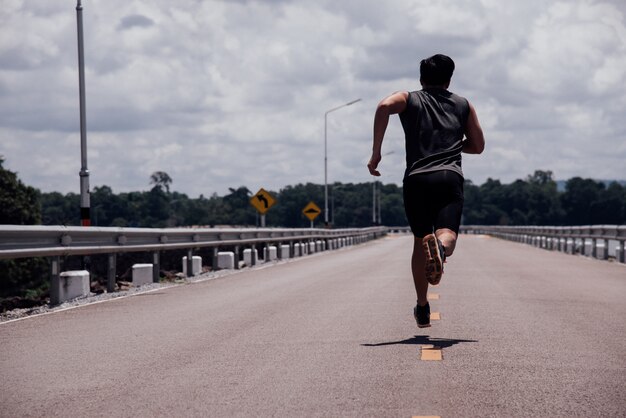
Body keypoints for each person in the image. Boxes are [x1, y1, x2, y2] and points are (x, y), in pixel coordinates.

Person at [367, 54, 485, 328]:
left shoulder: (409, 98)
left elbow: (384, 105)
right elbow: (478, 146)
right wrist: (454, 144)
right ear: (450, 79)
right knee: (448, 233)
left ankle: (422, 305)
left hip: (417, 179)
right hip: (449, 177)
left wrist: (376, 153)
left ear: (421, 78)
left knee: (421, 239)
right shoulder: (463, 104)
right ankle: (442, 251)